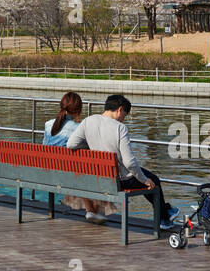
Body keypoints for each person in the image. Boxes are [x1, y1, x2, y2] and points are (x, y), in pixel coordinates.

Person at [66, 94, 176, 231]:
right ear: (120, 109)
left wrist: (92, 148)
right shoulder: (120, 128)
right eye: (125, 114)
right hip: (120, 180)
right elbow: (129, 163)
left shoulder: (89, 121)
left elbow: (71, 145)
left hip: (100, 177)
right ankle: (164, 219)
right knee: (153, 181)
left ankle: (166, 211)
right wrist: (144, 179)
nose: (124, 118)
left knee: (147, 179)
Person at [43, 91, 111, 223]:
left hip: (47, 171)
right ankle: (93, 210)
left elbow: (44, 146)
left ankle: (91, 210)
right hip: (69, 174)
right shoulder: (78, 128)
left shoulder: (48, 124)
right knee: (92, 169)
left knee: (79, 170)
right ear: (79, 109)